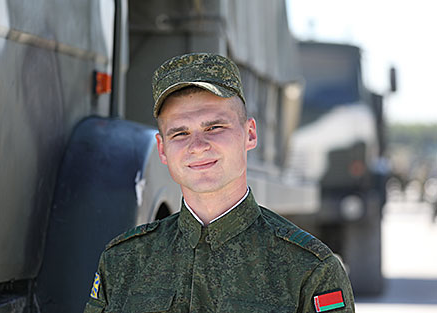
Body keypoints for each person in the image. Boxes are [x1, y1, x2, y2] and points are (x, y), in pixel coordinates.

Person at [84, 53, 355, 313]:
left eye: (214, 127)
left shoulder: (309, 269)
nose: (198, 146)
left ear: (249, 134)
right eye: (180, 133)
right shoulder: (123, 262)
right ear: (163, 149)